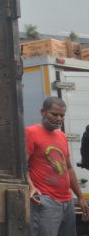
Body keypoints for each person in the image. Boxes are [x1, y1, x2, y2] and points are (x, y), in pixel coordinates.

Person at [26, 96, 89, 235]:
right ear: (42, 112)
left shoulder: (61, 136)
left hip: (67, 201)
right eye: (54, 114)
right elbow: (22, 165)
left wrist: (80, 197)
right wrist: (31, 187)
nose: (59, 118)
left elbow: (68, 168)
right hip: (46, 200)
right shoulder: (31, 132)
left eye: (62, 115)